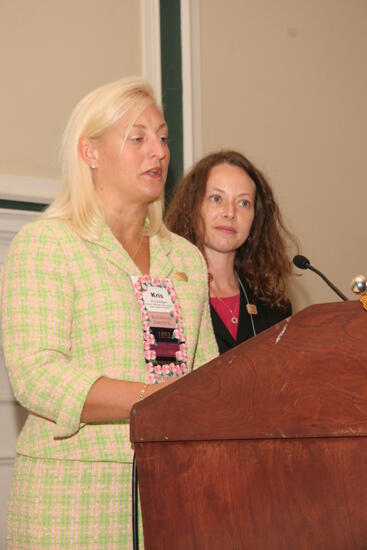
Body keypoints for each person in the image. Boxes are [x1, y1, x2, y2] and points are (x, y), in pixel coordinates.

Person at [0, 77, 218, 549]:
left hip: (173, 491)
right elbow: (37, 375)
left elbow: (207, 378)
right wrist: (157, 398)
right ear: (89, 151)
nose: (158, 152)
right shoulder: (47, 244)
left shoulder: (184, 259)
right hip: (72, 504)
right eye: (137, 138)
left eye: (163, 138)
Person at [165, 150, 296, 354]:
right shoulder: (167, 293)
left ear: (255, 219)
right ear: (192, 206)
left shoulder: (274, 307)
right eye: (217, 198)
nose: (230, 213)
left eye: (243, 203)